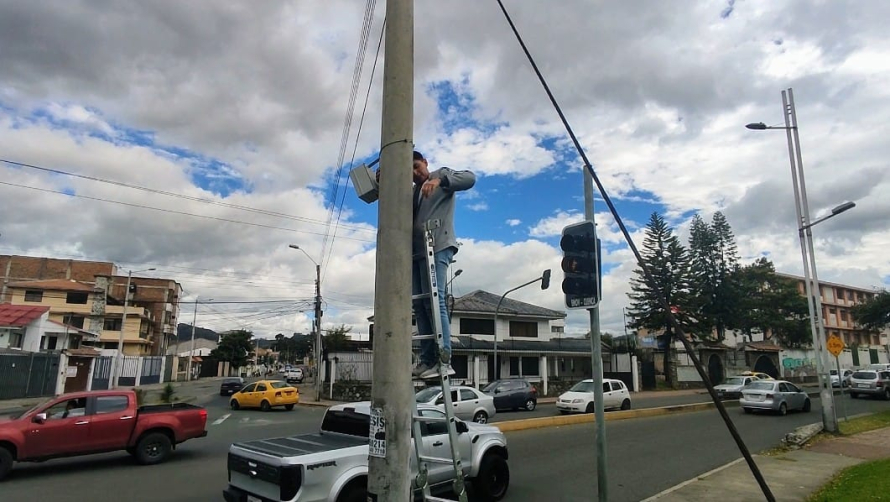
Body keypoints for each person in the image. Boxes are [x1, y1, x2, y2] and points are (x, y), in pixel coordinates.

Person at [408, 150, 476, 379]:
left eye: (417, 166)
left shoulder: (441, 175)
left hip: (437, 246)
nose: (416, 173)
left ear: (425, 162)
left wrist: (439, 180)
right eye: (411, 171)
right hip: (417, 253)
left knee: (435, 302)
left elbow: (469, 178)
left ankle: (444, 359)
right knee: (420, 306)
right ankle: (428, 360)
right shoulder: (414, 191)